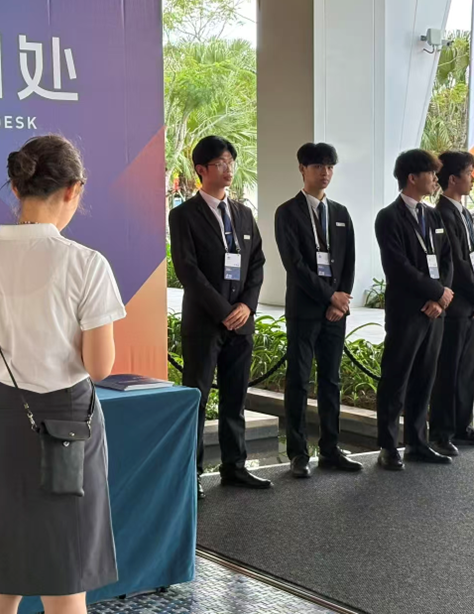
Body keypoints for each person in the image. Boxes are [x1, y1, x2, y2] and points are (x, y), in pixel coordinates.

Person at [0, 135, 126, 613]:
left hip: (5, 419)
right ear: (73, 189)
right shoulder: (86, 263)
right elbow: (100, 367)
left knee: (0, 583)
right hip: (69, 426)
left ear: (15, 186)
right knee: (65, 585)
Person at [169, 135, 271, 497]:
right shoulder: (183, 215)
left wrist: (246, 306)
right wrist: (224, 311)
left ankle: (235, 467)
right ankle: (192, 473)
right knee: (196, 399)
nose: (228, 169)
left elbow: (256, 263)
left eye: (231, 162)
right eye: (220, 163)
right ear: (201, 169)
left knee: (235, 398)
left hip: (241, 323)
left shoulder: (243, 213)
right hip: (205, 323)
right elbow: (188, 270)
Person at [275, 143, 362, 478]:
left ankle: (331, 449)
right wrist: (330, 298)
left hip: (335, 313)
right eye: (317, 166)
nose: (325, 173)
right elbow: (294, 265)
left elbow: (349, 260)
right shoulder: (287, 212)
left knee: (331, 380)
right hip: (305, 310)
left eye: (329, 166)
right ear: (302, 169)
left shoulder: (340, 213)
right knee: (299, 381)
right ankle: (298, 453)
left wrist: (342, 300)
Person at [374, 149, 454, 471]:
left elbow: (446, 259)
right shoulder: (389, 217)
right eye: (430, 173)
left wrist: (441, 296)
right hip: (407, 311)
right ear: (411, 177)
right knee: (396, 379)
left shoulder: (433, 216)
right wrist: (435, 292)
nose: (435, 179)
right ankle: (388, 446)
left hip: (434, 312)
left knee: (425, 378)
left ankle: (418, 443)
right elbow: (398, 267)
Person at [430, 151, 474, 454]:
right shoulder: (442, 213)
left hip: (471, 305)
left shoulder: (464, 213)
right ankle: (442, 432)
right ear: (453, 178)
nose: (473, 179)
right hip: (455, 305)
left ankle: (463, 426)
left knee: (467, 369)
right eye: (469, 173)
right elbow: (455, 263)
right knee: (448, 369)